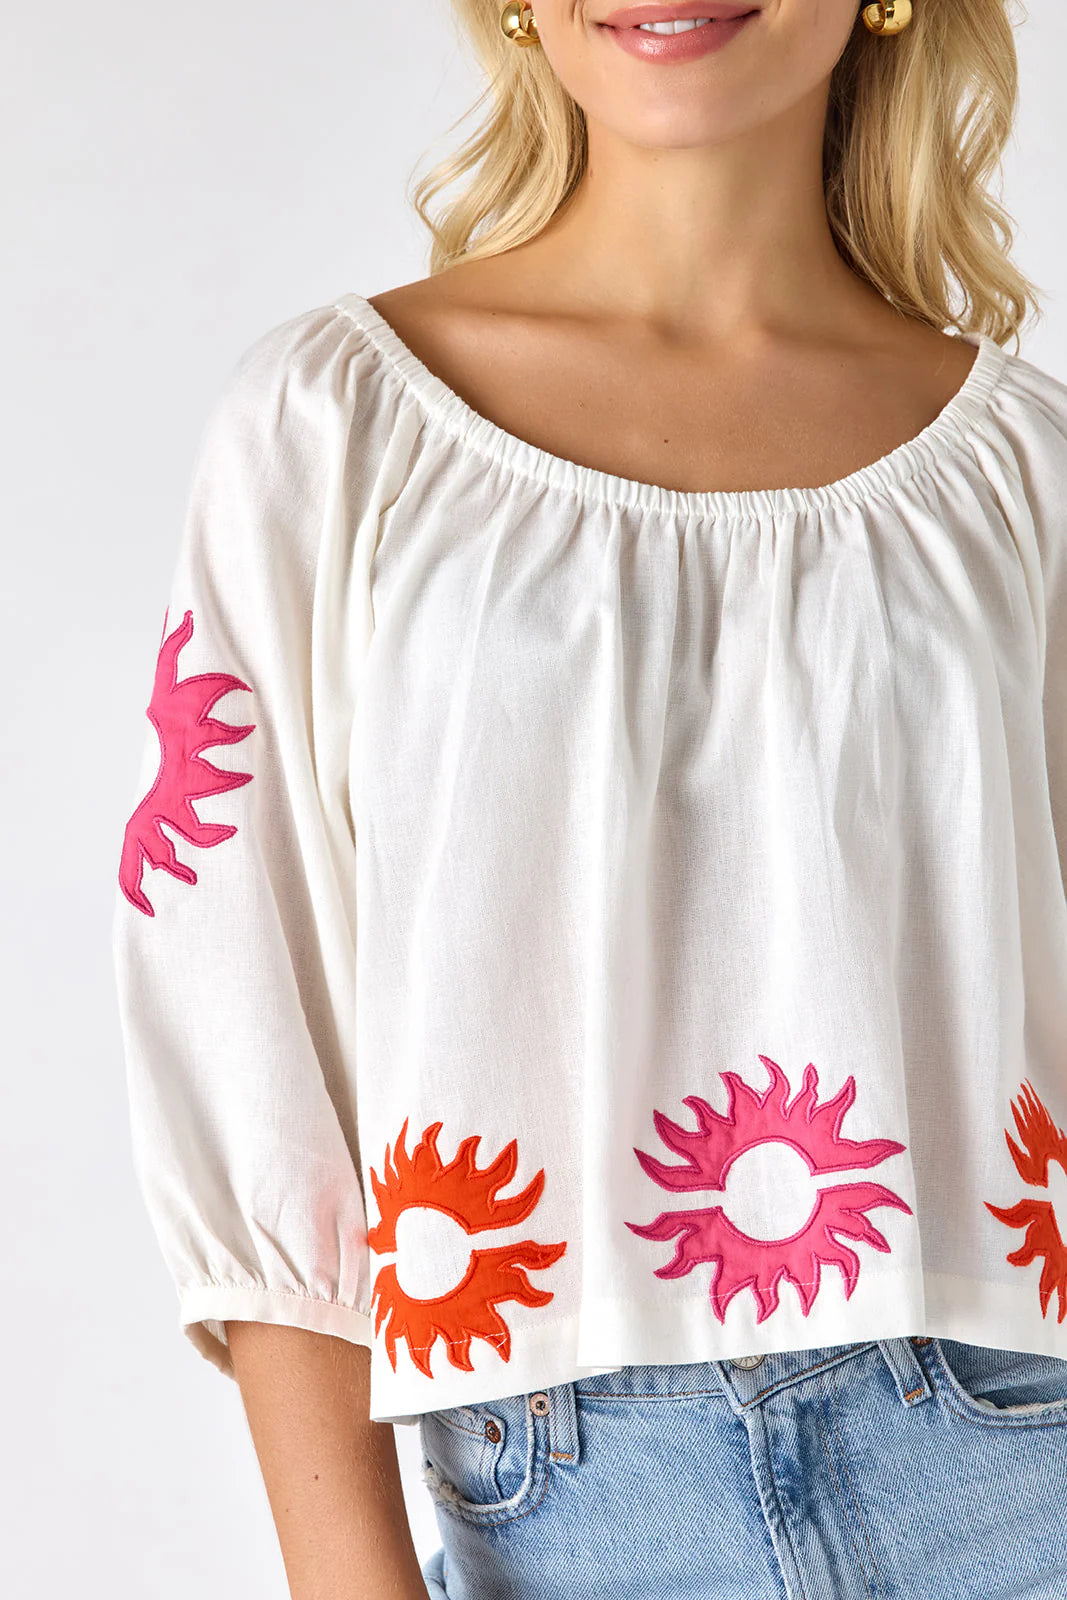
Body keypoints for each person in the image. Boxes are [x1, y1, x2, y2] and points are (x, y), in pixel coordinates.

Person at [111, 0, 1067, 1595]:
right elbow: (244, 1028)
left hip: (1016, 1464)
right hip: (565, 1502)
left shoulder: (1024, 472)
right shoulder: (337, 425)